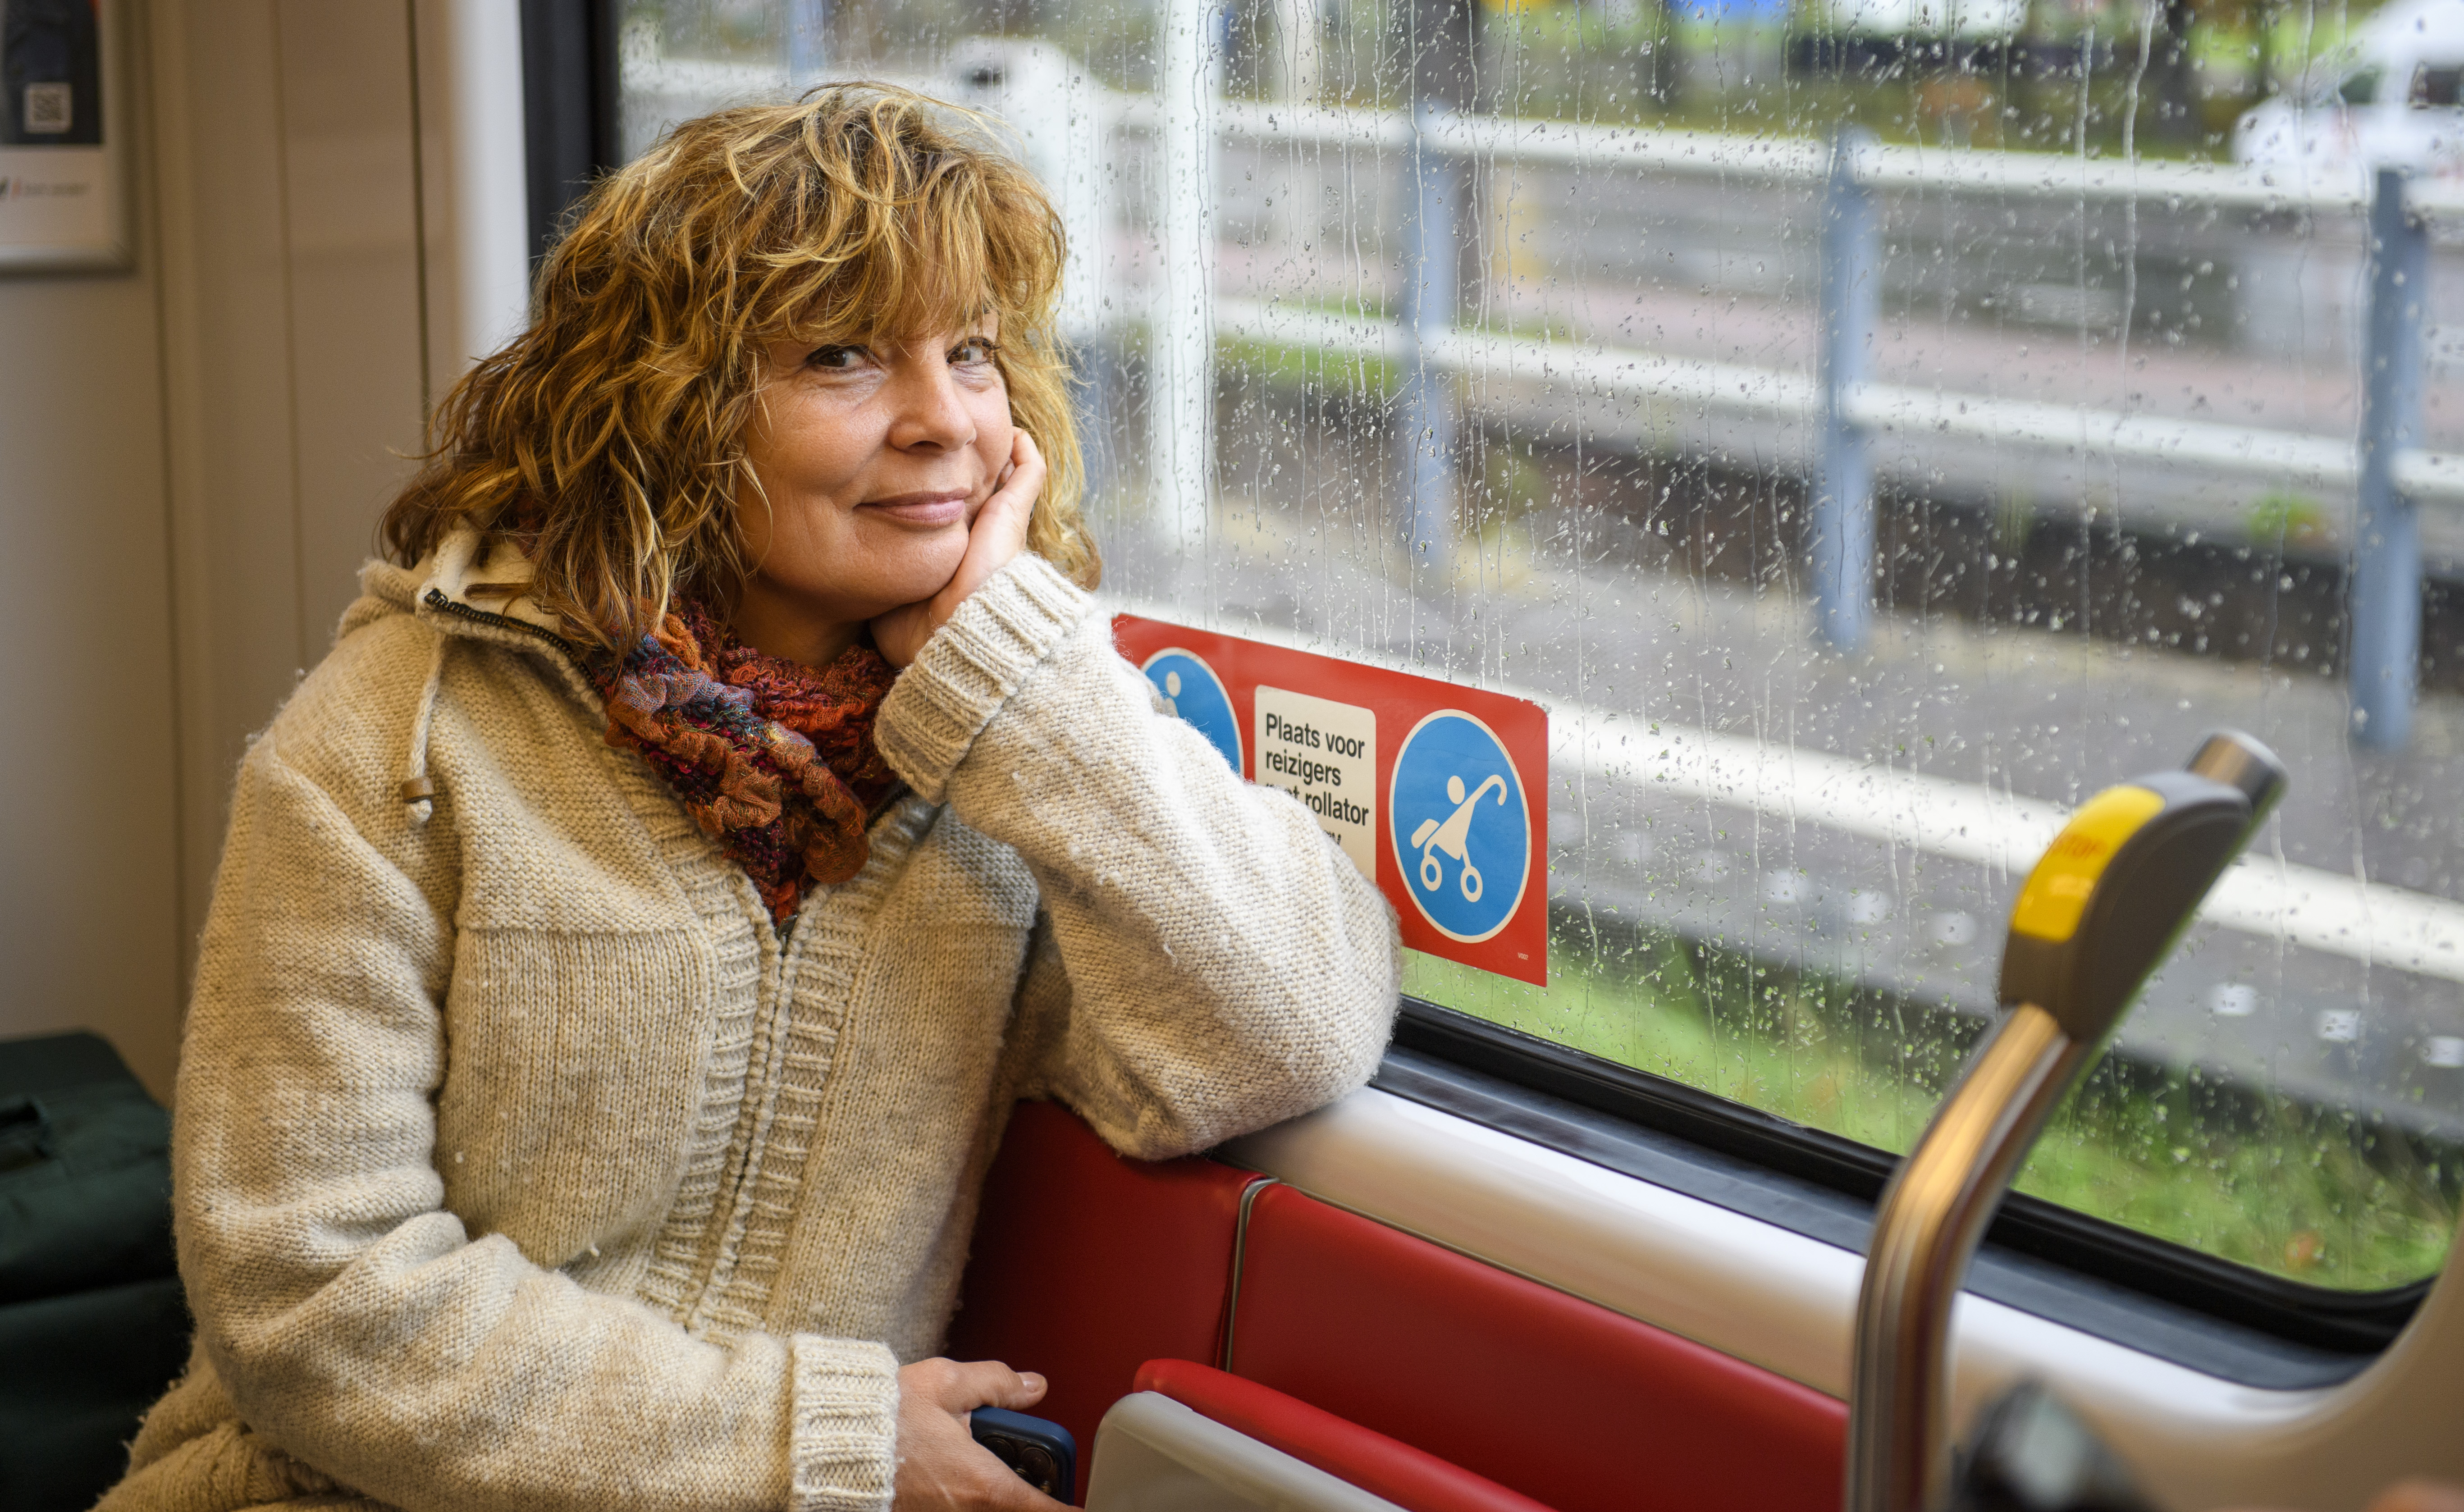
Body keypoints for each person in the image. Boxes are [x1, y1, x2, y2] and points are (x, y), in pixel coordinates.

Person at [100, 84, 1399, 1512]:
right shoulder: (398, 737)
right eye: (844, 356)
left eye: (971, 352)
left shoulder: (1011, 757)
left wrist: (1019, 674)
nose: (945, 422)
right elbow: (309, 1294)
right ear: (666, 407)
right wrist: (805, 1443)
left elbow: (1284, 1033)